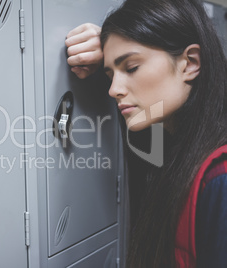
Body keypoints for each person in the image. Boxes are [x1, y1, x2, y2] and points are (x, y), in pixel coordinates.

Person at [65, 0, 227, 267]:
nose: (113, 89)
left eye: (131, 68)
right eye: (110, 75)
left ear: (189, 63)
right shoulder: (176, 151)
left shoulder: (219, 179)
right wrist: (109, 44)